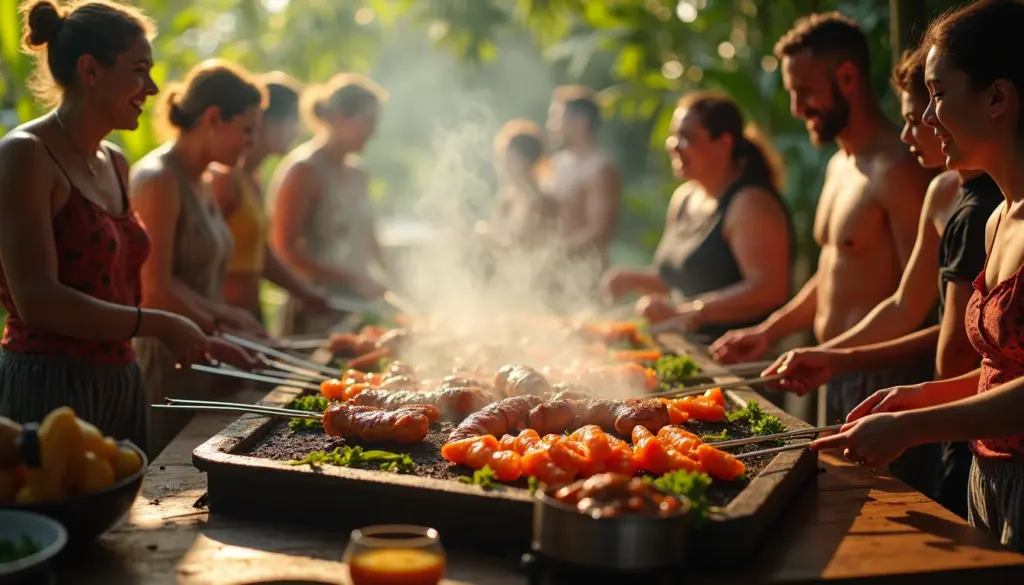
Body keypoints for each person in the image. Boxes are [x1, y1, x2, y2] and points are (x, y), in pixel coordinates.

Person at [811, 0, 1024, 552]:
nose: (927, 119)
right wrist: (913, 397)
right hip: (987, 475)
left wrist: (913, 426)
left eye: (938, 94)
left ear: (998, 98)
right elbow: (998, 374)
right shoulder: (997, 218)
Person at [762, 45, 1002, 518]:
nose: (914, 130)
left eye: (929, 107)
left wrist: (909, 413)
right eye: (914, 115)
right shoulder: (944, 191)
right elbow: (904, 304)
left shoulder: (984, 203)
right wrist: (829, 355)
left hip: (965, 415)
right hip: (930, 404)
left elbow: (953, 334)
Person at [0, 0, 208, 456]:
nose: (152, 88)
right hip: (50, 388)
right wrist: (158, 324)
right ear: (90, 70)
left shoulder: (115, 161)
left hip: (121, 380)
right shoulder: (26, 154)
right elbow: (36, 299)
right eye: (139, 70)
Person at [708, 12, 935, 428]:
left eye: (805, 92)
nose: (797, 109)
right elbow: (834, 274)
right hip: (829, 370)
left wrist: (834, 356)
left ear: (847, 78)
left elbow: (919, 302)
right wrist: (767, 331)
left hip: (883, 381)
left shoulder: (899, 168)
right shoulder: (838, 164)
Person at [130, 59, 265, 455]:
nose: (252, 142)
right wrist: (223, 321)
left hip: (205, 354)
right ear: (212, 118)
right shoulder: (158, 179)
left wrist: (228, 325)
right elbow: (154, 290)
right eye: (246, 129)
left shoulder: (207, 180)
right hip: (167, 362)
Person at [600, 92, 794, 340]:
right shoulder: (684, 197)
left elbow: (769, 290)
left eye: (686, 137)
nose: (673, 145)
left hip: (738, 353)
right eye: (673, 135)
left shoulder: (750, 203)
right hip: (688, 344)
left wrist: (685, 312)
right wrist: (631, 279)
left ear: (724, 143)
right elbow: (679, 277)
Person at [269, 73, 391, 336]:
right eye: (368, 122)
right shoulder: (303, 171)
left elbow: (371, 241)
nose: (374, 133)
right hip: (315, 307)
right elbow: (284, 251)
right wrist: (351, 279)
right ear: (338, 118)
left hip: (358, 308)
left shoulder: (359, 174)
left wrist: (398, 284)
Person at [211, 71, 330, 326]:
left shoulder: (253, 179)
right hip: (222, 319)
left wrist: (306, 293)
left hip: (248, 317)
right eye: (293, 122)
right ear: (269, 124)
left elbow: (261, 255)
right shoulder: (225, 179)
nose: (297, 132)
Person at [543, 85, 622, 299]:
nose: (550, 126)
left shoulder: (600, 168)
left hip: (585, 278)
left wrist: (556, 253)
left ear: (581, 122)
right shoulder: (555, 164)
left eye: (557, 118)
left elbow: (600, 231)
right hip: (551, 276)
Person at [478, 119, 557, 252]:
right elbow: (495, 229)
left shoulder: (541, 202)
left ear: (523, 161)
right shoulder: (507, 198)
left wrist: (483, 234)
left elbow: (526, 246)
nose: (503, 166)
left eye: (508, 159)